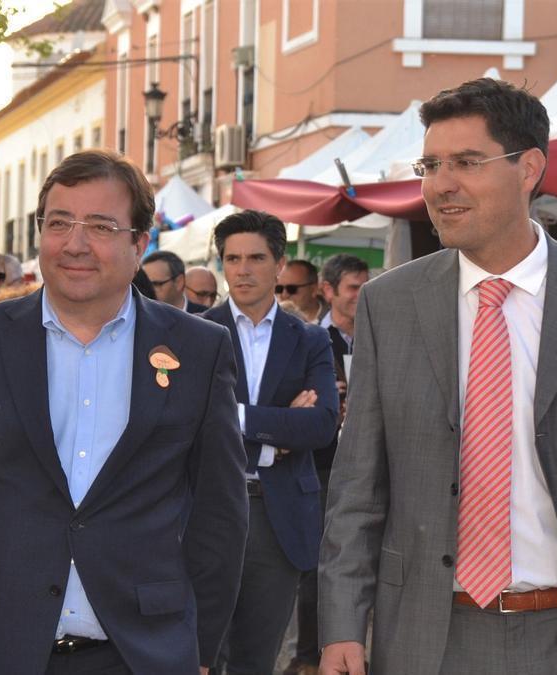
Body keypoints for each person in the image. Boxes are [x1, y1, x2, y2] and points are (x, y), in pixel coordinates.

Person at [317, 78, 557, 675]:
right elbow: (358, 489)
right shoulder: (389, 305)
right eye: (430, 164)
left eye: (467, 163)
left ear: (529, 168)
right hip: (432, 637)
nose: (439, 184)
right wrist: (342, 627)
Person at [0, 149, 249, 675]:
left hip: (145, 654)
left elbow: (220, 513)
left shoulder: (200, 348)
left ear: (139, 244)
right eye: (59, 223)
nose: (75, 243)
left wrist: (201, 647)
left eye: (100, 225)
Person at [202, 210, 338, 675]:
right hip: (205, 511)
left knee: (255, 660)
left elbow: (321, 425)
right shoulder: (193, 333)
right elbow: (184, 428)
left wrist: (232, 416)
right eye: (232, 258)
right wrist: (274, 435)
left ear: (279, 264)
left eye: (256, 257)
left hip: (276, 518)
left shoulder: (310, 341)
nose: (242, 269)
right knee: (196, 656)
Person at [284, 253, 369, 675]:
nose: (361, 295)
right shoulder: (311, 340)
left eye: (364, 285)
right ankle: (310, 652)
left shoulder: (379, 334)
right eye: (353, 288)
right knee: (320, 565)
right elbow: (301, 404)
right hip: (322, 463)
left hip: (369, 461)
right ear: (329, 291)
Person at [143, 250, 209, 312]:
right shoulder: (140, 317)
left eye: (156, 284)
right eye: (145, 285)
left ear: (179, 282)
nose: (148, 290)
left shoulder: (207, 318)